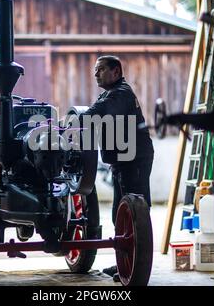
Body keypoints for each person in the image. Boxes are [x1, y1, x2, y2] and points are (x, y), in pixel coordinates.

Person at [81, 55, 154, 281]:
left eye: (100, 70)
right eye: (95, 70)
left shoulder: (121, 94)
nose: (96, 74)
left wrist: (77, 118)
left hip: (135, 160)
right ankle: (124, 261)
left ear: (116, 71)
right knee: (119, 214)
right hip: (122, 162)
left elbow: (96, 113)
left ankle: (136, 266)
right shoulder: (110, 93)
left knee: (136, 212)